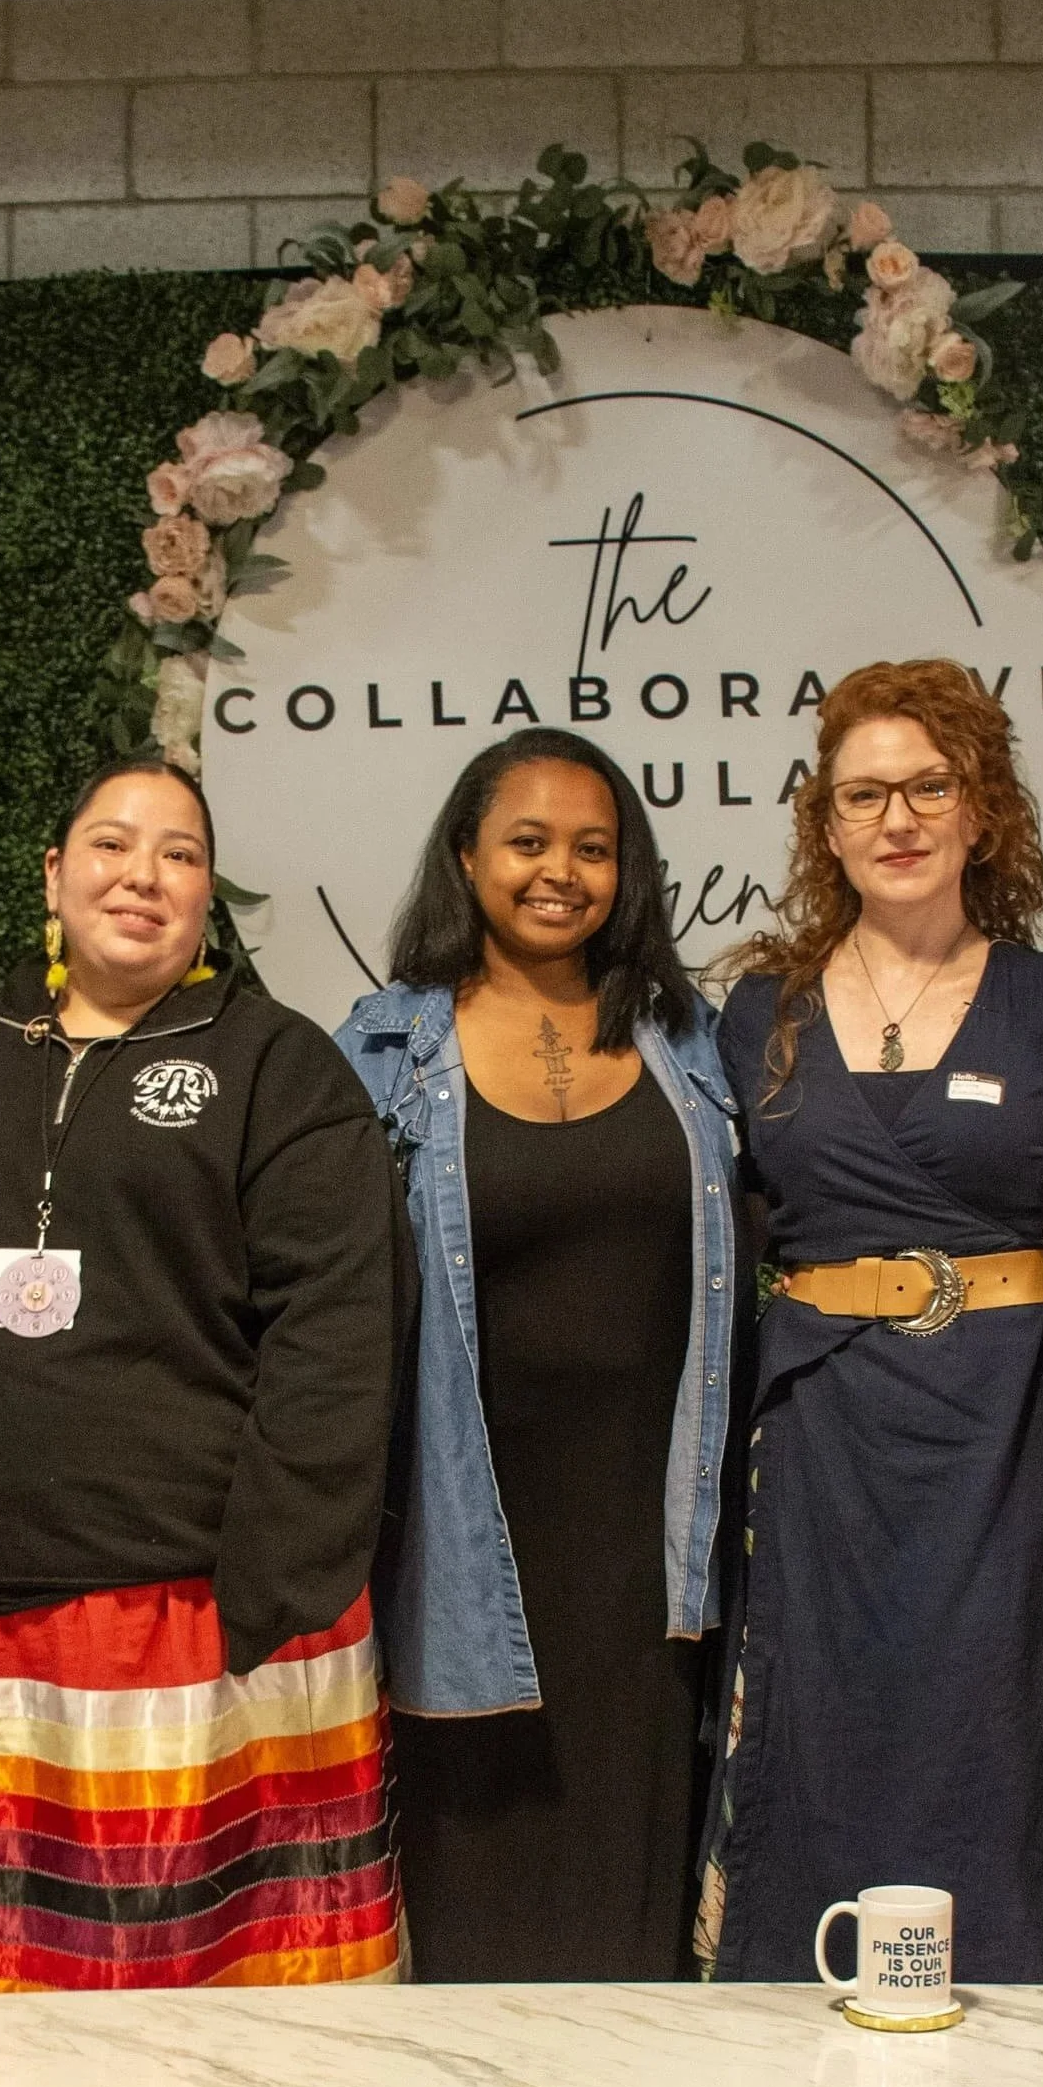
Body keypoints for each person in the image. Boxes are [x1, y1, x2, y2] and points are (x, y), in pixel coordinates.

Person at [0, 758, 412, 2087]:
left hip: (195, 1629)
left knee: (207, 2046)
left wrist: (278, 1581)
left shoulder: (275, 1067)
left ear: (208, 898)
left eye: (180, 855)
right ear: (53, 875)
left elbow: (338, 1330)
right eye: (112, 845)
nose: (143, 874)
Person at [698, 662, 1043, 1986]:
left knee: (996, 1717)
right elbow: (736, 1229)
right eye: (864, 793)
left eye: (929, 786)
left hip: (1006, 1425)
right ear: (825, 825)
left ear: (982, 808)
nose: (898, 817)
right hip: (822, 1423)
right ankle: (793, 2001)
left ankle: (1015, 2019)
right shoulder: (759, 1011)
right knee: (822, 1711)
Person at [337, 728, 741, 1982]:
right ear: (466, 855)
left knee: (630, 1857)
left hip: (649, 1524)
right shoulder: (387, 1048)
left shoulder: (690, 1039)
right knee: (474, 1858)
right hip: (464, 1517)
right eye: (526, 842)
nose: (558, 871)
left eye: (592, 847)